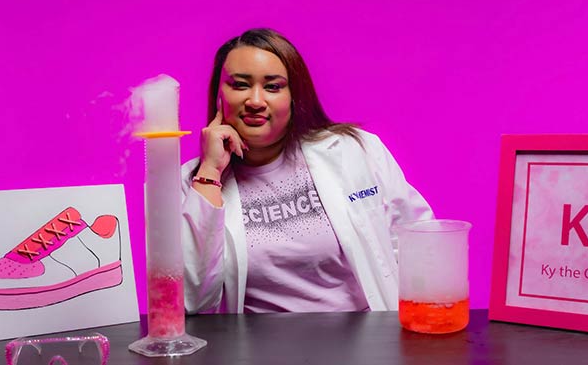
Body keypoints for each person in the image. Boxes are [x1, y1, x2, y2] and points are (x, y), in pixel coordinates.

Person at [181, 28, 433, 314]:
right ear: (218, 95)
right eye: (240, 85)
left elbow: (419, 242)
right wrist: (211, 171)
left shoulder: (354, 150)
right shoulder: (196, 182)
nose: (255, 100)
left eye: (273, 87)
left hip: (368, 345)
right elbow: (191, 299)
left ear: (294, 96)